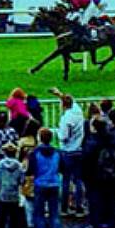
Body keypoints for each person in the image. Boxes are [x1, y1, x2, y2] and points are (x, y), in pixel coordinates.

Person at [49, 87, 86, 217]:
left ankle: (64, 208)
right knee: (78, 180)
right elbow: (71, 101)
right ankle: (79, 207)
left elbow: (63, 136)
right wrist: (59, 94)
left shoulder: (67, 119)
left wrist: (58, 132)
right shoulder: (78, 111)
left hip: (67, 151)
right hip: (79, 150)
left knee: (66, 180)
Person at [27, 128, 62, 228]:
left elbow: (30, 170)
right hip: (54, 183)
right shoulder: (57, 152)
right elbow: (61, 167)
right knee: (54, 215)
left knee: (39, 215)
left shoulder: (35, 153)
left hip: (40, 184)